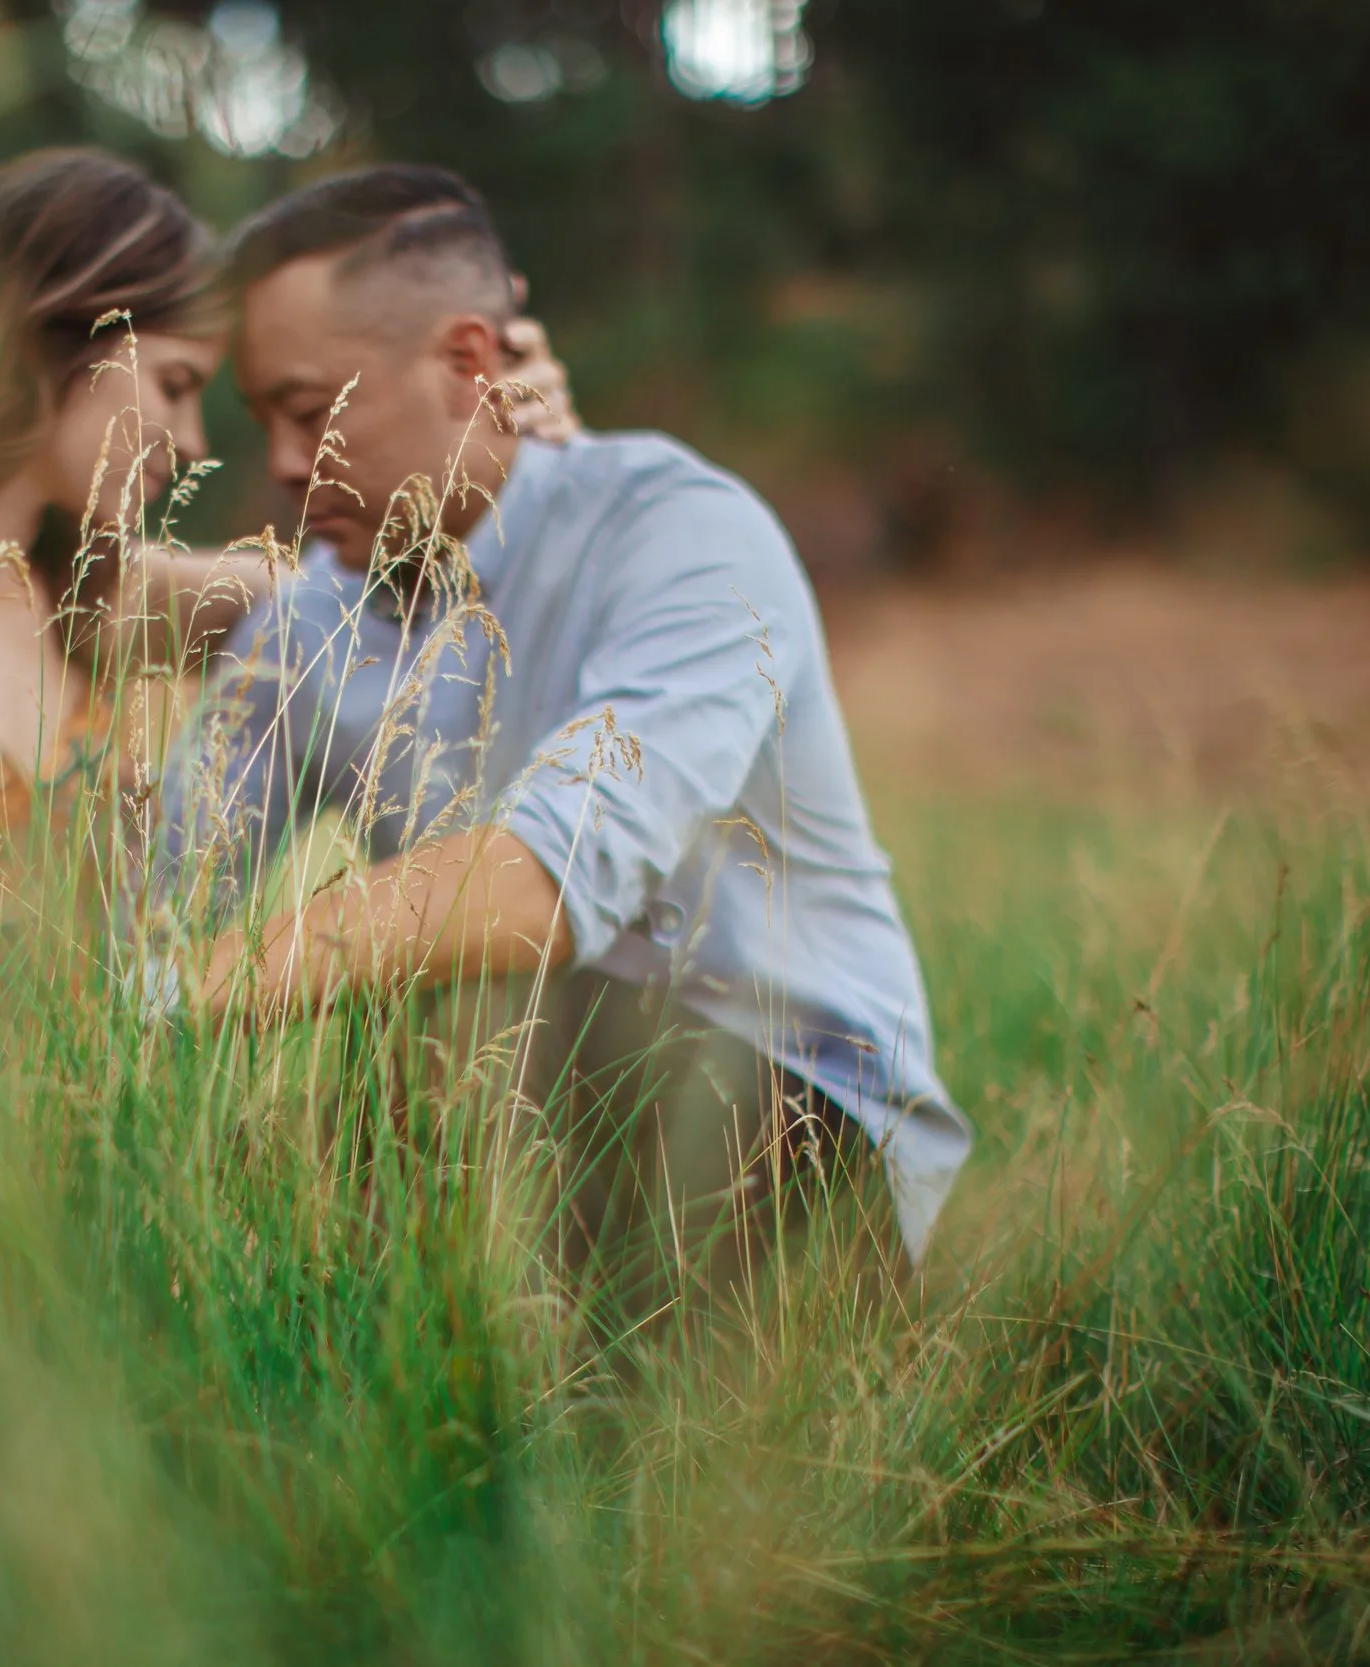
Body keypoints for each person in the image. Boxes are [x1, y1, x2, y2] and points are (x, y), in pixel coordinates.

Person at [154, 165, 969, 1313]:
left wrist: (196, 988)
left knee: (483, 1043)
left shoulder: (680, 529)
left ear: (468, 363)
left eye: (312, 409)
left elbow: (546, 880)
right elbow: (163, 889)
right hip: (507, 1102)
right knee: (256, 1204)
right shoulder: (305, 623)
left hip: (783, 1100)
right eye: (265, 423)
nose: (285, 464)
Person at [0, 149, 578, 879]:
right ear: (57, 327)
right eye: (173, 385)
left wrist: (493, 424)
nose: (189, 440)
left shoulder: (93, 596)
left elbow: (398, 597)